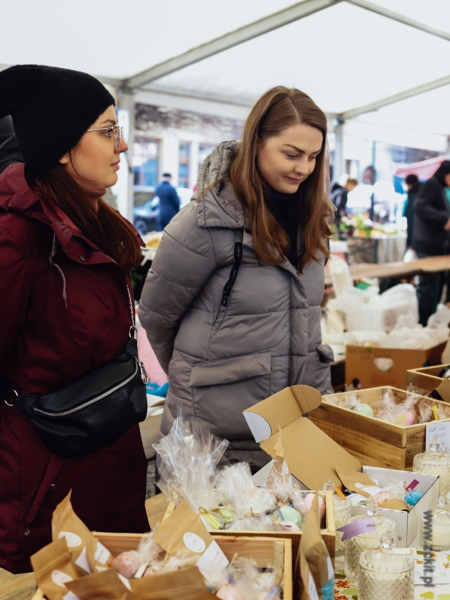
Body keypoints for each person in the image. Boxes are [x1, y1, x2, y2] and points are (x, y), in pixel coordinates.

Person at [0, 64, 149, 574]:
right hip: (49, 492)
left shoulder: (93, 222)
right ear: (62, 146)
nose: (122, 146)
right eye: (108, 131)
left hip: (114, 477)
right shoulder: (18, 238)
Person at [139, 86, 335, 472]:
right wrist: (199, 380)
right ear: (256, 142)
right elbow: (156, 317)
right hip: (214, 441)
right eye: (291, 154)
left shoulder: (315, 221)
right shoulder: (205, 222)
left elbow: (305, 315)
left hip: (293, 432)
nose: (303, 168)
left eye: (313, 157)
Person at [413, 161, 450, 326]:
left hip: (434, 244)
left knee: (434, 287)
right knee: (428, 287)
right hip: (428, 245)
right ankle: (424, 323)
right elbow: (419, 205)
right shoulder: (433, 184)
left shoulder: (439, 187)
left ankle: (429, 322)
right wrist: (444, 218)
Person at [402, 173, 421, 250]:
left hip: (416, 238)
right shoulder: (420, 193)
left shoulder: (414, 196)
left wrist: (409, 242)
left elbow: (411, 220)